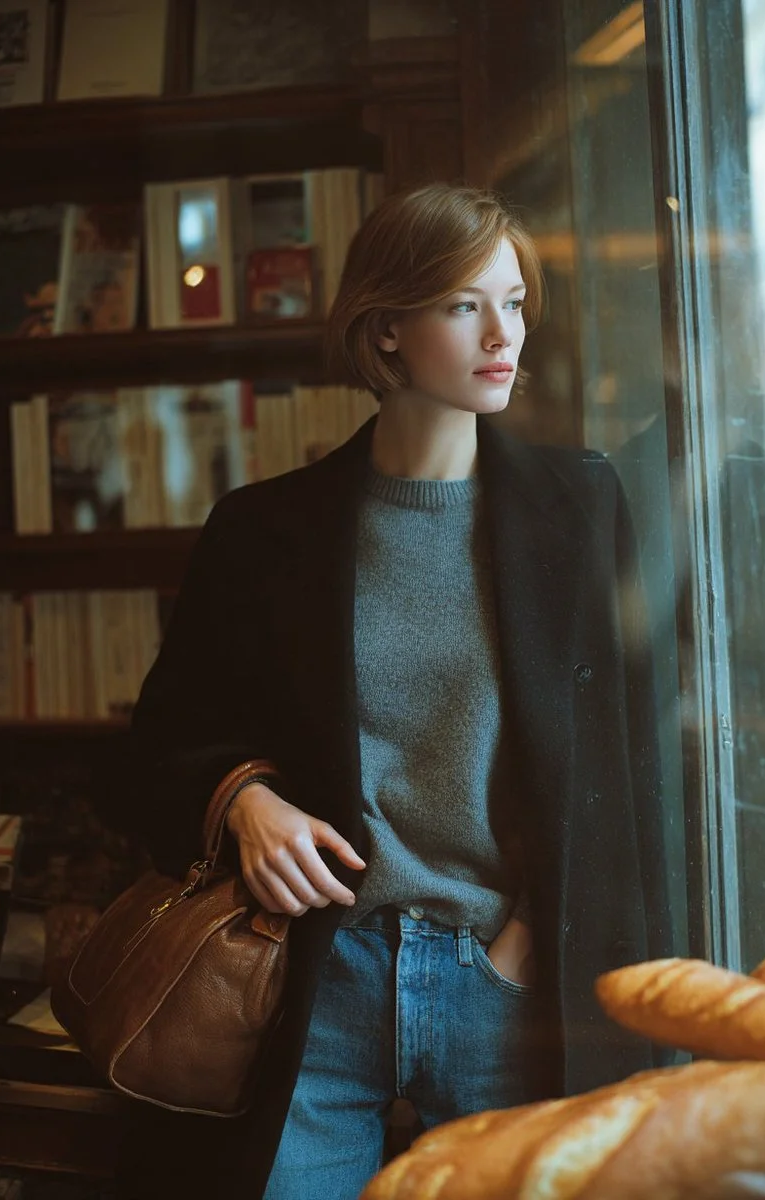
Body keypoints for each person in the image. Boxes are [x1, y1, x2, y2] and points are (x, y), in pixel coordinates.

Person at [122, 183, 673, 1200]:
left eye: (514, 303)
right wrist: (243, 801)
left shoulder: (580, 506)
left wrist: (522, 943)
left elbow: (629, 765)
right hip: (318, 979)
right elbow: (159, 742)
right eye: (464, 305)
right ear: (385, 329)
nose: (503, 334)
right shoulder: (263, 530)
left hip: (506, 982)